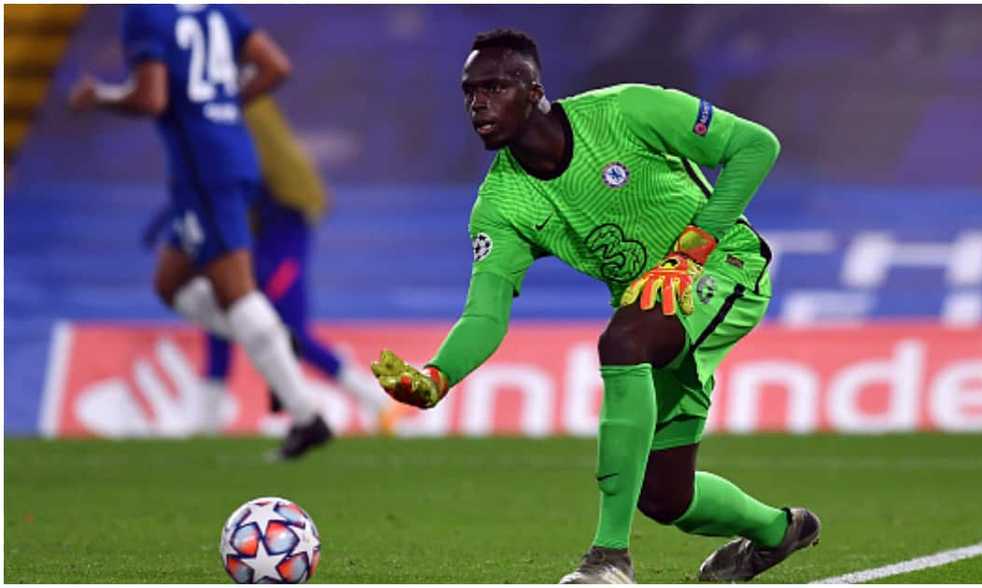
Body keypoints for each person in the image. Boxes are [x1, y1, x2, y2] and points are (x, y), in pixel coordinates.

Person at [370, 29, 820, 584]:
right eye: (469, 92)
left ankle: (609, 560)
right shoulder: (500, 206)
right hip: (655, 308)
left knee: (622, 340)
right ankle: (780, 532)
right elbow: (485, 315)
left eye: (493, 87)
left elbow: (756, 146)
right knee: (664, 495)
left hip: (725, 267)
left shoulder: (628, 110)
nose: (477, 103)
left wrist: (691, 250)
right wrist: (437, 376)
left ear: (533, 90)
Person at [68, 4, 330, 460]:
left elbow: (152, 99)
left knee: (237, 293)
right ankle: (269, 338)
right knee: (170, 284)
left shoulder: (145, 15)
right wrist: (223, 106)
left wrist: (101, 97)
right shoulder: (216, 12)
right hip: (224, 160)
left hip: (206, 171)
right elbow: (275, 66)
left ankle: (307, 416)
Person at [141, 96, 400, 435]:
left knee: (289, 333)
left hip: (280, 240)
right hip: (253, 238)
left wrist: (174, 219)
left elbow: (231, 184)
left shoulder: (246, 130)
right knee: (227, 306)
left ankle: (376, 400)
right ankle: (208, 420)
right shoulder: (231, 127)